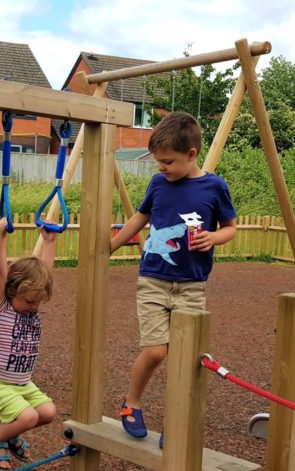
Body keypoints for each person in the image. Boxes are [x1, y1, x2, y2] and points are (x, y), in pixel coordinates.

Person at [109, 111, 237, 448]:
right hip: (154, 278)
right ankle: (131, 404)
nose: (161, 167)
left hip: (192, 283)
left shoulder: (214, 186)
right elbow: (140, 217)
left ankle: (177, 421)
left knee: (186, 358)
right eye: (158, 161)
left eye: (168, 161)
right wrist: (110, 246)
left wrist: (213, 238)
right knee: (155, 352)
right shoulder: (157, 184)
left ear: (192, 154)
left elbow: (230, 228)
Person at [0, 218, 59, 470]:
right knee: (28, 416)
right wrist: (0, 237)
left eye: (37, 301)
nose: (34, 306)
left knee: (48, 413)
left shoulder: (31, 308)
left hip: (22, 384)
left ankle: (10, 432)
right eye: (28, 301)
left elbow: (45, 274)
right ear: (12, 290)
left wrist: (49, 242)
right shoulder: (1, 308)